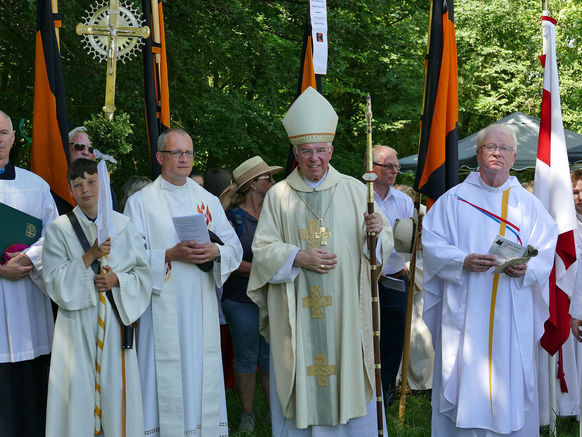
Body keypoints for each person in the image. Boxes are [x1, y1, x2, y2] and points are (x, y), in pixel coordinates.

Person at [247, 87, 393, 435]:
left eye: (320, 151)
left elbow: (381, 248)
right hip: (298, 307)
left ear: (331, 150)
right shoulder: (279, 196)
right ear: (295, 154)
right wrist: (298, 256)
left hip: (347, 312)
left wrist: (375, 235)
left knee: (349, 372)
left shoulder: (358, 191)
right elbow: (263, 251)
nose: (314, 159)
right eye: (306, 152)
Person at [422, 123, 559, 436]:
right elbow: (431, 245)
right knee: (464, 379)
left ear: (513, 157)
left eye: (504, 149)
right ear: (478, 153)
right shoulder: (452, 201)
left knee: (509, 378)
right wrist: (462, 260)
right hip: (466, 309)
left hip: (513, 310)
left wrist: (528, 268)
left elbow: (546, 250)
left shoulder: (530, 205)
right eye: (490, 147)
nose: (497, 153)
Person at [124, 128, 243, 437]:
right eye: (177, 153)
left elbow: (234, 248)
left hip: (200, 305)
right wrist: (170, 253)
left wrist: (214, 249)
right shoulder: (141, 202)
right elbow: (128, 255)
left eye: (189, 153)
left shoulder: (207, 201)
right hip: (159, 305)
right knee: (159, 373)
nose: (184, 159)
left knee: (199, 368)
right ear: (161, 157)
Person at [42, 158, 153, 437]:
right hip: (76, 325)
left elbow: (143, 274)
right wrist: (90, 255)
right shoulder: (59, 229)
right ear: (70, 191)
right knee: (77, 392)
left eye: (91, 182)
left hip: (113, 325)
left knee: (115, 391)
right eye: (77, 185)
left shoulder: (124, 225)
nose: (85, 190)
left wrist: (117, 280)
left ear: (101, 184)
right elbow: (53, 281)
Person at [0, 109, 58, 436]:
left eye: (3, 133)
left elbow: (54, 234)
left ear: (13, 138)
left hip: (27, 295)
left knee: (30, 392)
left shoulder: (35, 186)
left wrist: (27, 259)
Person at [219, 156, 282, 433]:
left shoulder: (276, 215)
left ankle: (273, 413)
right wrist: (267, 270)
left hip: (271, 295)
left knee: (270, 357)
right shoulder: (232, 218)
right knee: (246, 356)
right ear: (253, 185)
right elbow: (229, 260)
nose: (273, 182)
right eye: (267, 178)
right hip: (241, 299)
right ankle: (247, 414)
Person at [370, 145, 414, 406]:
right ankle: (365, 394)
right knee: (367, 336)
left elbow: (412, 240)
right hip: (366, 280)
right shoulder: (358, 197)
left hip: (396, 278)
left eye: (396, 166)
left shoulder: (404, 201)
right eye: (388, 166)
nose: (395, 171)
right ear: (372, 168)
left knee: (393, 338)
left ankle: (386, 394)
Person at [68, 126, 119, 211]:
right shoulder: (53, 184)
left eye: (91, 149)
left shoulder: (105, 188)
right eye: (79, 146)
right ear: (67, 147)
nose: (86, 152)